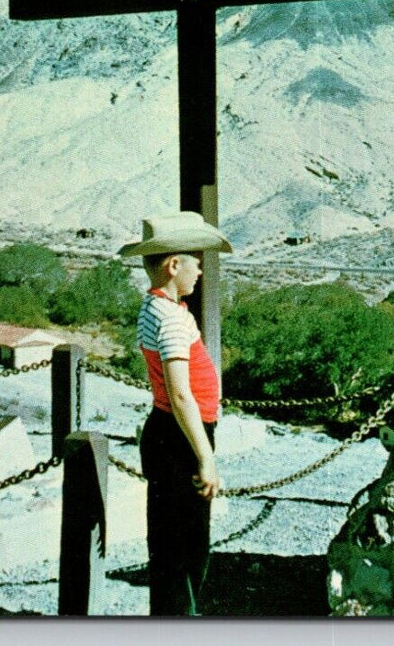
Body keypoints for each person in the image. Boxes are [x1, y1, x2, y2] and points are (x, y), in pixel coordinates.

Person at [119, 212, 232, 616]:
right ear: (173, 265)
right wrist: (206, 459)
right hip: (181, 436)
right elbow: (180, 395)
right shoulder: (168, 317)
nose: (201, 269)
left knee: (179, 545)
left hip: (174, 432)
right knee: (182, 550)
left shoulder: (164, 309)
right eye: (196, 260)